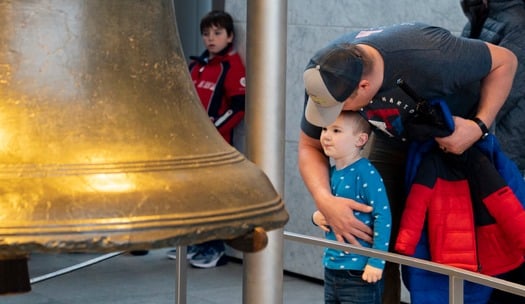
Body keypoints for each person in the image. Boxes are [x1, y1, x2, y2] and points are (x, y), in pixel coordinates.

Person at [299, 22, 517, 304]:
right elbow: (309, 145)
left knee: (449, 248)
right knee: (373, 238)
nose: (330, 118)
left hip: (454, 147)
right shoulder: (323, 72)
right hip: (392, 141)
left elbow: (505, 61)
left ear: (364, 87)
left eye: (338, 110)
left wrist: (478, 125)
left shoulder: (430, 54)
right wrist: (325, 200)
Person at [166, 10, 246, 269]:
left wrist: (212, 132)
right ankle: (193, 242)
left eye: (217, 33)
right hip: (190, 144)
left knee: (212, 197)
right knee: (192, 195)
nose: (210, 38)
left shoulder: (232, 67)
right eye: (206, 33)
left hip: (215, 146)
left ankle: (212, 248)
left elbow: (238, 106)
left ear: (230, 36)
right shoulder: (196, 65)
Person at [311, 111, 391, 304]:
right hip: (332, 269)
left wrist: (376, 261)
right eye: (324, 129)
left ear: (360, 139)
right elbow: (326, 210)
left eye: (336, 130)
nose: (326, 136)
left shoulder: (366, 172)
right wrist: (316, 217)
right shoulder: (330, 174)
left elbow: (383, 217)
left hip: (360, 273)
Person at [461, 0, 525, 175]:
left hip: (502, 138)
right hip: (477, 132)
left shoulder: (517, 23)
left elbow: (508, 92)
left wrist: (469, 126)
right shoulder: (481, 12)